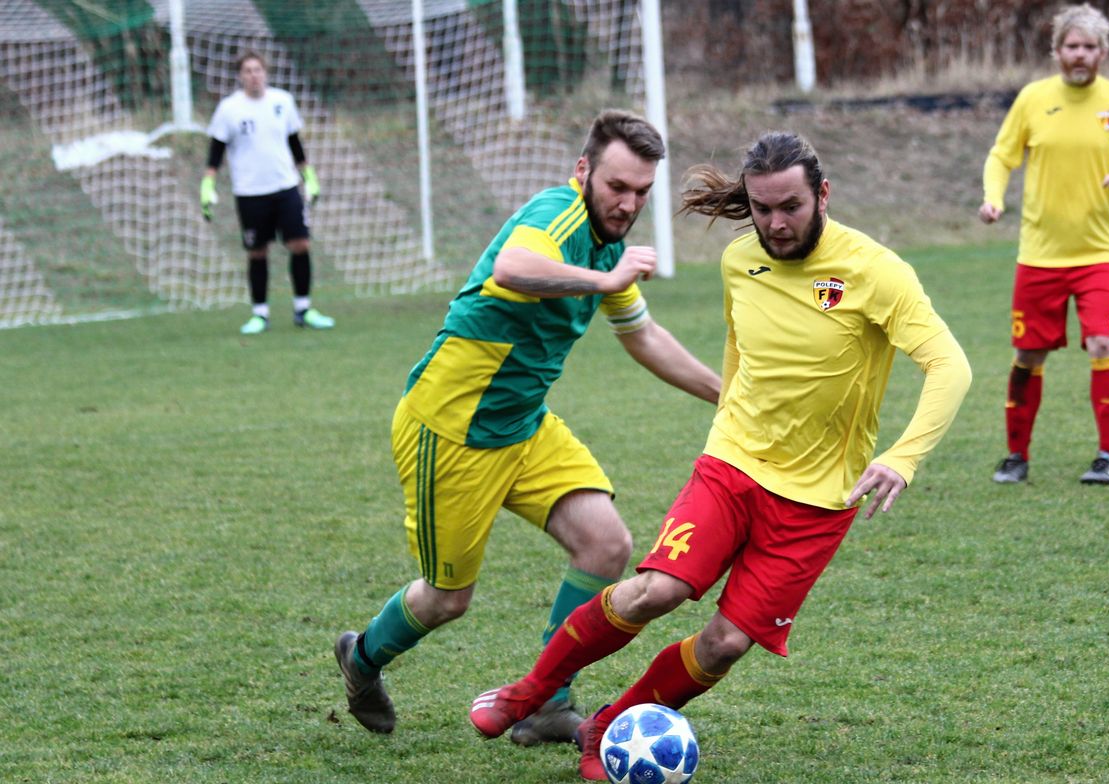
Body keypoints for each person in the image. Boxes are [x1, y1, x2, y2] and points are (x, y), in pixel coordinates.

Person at [467, 131, 972, 781]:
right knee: (657, 590)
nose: (775, 223)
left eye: (789, 206)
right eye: (761, 209)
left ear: (822, 195)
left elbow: (948, 366)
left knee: (726, 643)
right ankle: (529, 691)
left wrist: (901, 457)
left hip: (818, 500)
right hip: (731, 466)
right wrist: (729, 413)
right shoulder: (740, 261)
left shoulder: (876, 272)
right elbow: (742, 354)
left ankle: (608, 726)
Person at [332, 110, 721, 744]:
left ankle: (547, 702)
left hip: (523, 426)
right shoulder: (556, 215)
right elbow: (512, 269)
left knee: (606, 545)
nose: (627, 204)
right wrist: (604, 278)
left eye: (641, 192)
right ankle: (363, 657)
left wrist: (725, 397)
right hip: (452, 430)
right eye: (617, 187)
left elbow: (643, 335)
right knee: (446, 599)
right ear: (583, 172)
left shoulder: (608, 245)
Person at [979, 3, 1109, 485]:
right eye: (1071, 46)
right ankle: (1016, 456)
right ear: (1057, 50)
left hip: (1102, 254)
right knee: (1028, 356)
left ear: (1103, 52)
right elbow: (1001, 156)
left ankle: (1108, 456)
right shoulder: (1033, 99)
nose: (1079, 55)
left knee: (1103, 342)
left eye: (1088, 47)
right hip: (1039, 256)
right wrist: (993, 199)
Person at [202, 51, 334, 335]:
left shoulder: (282, 102)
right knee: (257, 251)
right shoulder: (229, 109)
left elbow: (294, 142)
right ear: (240, 76)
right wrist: (207, 185)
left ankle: (303, 308)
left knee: (300, 244)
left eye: (258, 70)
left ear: (266, 73)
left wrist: (308, 176)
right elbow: (216, 151)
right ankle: (260, 314)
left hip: (285, 187)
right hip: (250, 192)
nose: (254, 75)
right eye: (248, 71)